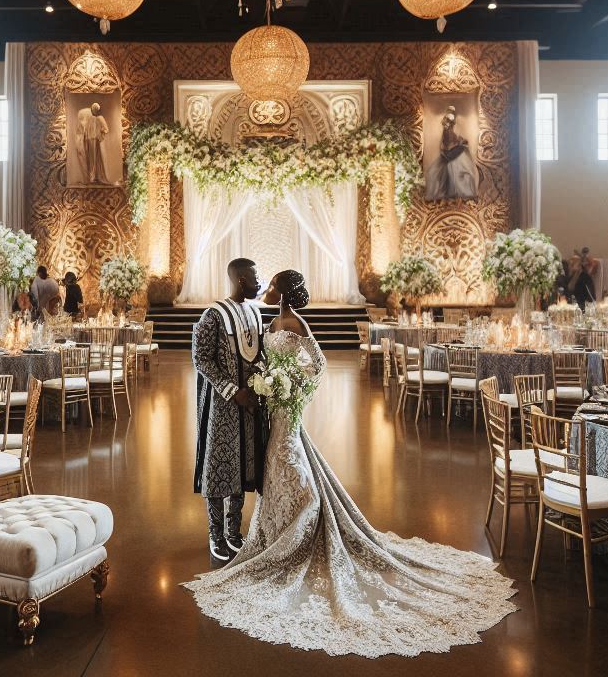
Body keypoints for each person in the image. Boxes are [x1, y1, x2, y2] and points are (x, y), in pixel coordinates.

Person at [184, 269, 516, 657]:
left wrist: (293, 394)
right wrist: (265, 385)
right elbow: (250, 361)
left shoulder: (294, 321)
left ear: (285, 292)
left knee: (290, 467)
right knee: (274, 471)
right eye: (262, 282)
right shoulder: (264, 320)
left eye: (272, 285)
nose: (266, 289)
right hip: (268, 411)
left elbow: (318, 365)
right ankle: (272, 532)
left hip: (285, 410)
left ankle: (302, 529)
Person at [191, 258, 268, 565]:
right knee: (219, 467)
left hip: (249, 403)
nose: (258, 283)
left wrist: (260, 385)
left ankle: (234, 532)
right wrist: (232, 390)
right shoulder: (213, 315)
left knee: (241, 466)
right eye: (254, 278)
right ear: (239, 280)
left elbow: (259, 354)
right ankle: (215, 534)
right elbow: (201, 359)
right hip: (222, 405)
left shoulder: (253, 312)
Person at [424, 104, 479, 200]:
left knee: (458, 172)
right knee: (447, 173)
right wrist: (457, 143)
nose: (449, 123)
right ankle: (451, 194)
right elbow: (447, 143)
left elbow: (449, 142)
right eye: (449, 121)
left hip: (451, 152)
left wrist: (458, 142)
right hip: (450, 153)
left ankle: (456, 194)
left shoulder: (449, 130)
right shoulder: (447, 129)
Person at [76, 102, 110, 185]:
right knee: (89, 158)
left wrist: (100, 132)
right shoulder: (90, 118)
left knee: (94, 158)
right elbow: (85, 130)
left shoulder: (100, 118)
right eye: (93, 109)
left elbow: (106, 129)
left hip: (94, 140)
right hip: (88, 140)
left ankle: (94, 177)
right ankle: (91, 177)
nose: (93, 110)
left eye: (95, 109)